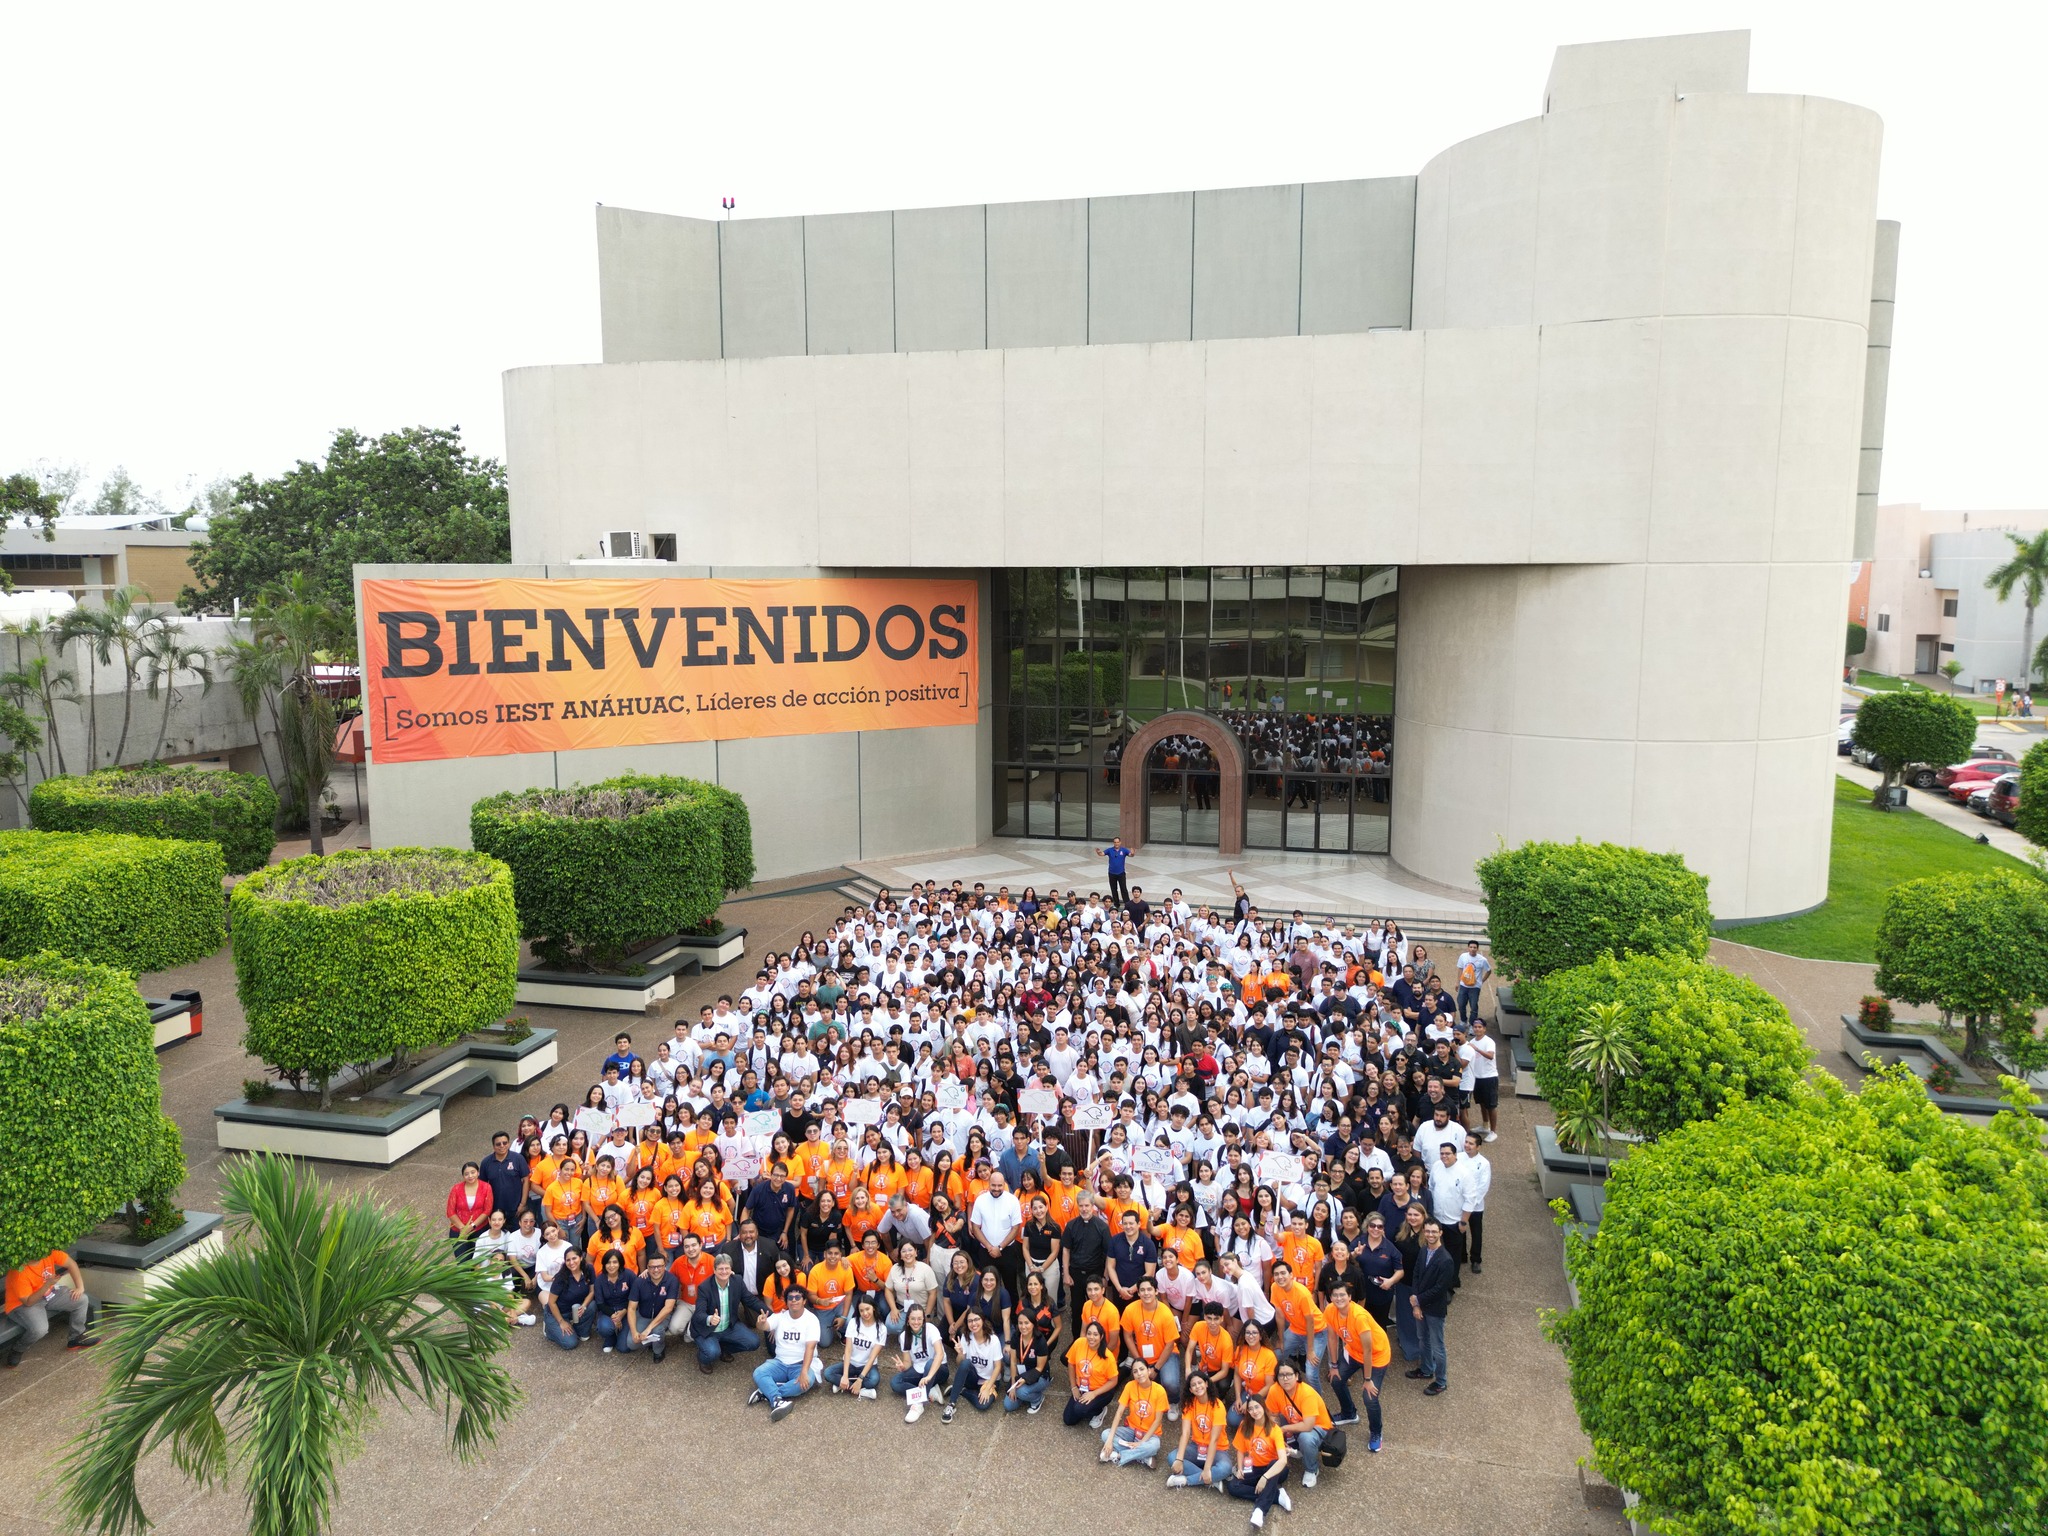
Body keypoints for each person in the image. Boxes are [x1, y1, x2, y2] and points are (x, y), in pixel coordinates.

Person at [1313, 1281, 1390, 1448]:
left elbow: (1368, 1350)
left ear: (1349, 1297)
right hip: (1353, 1351)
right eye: (1335, 1295)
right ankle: (1349, 1413)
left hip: (1375, 1355)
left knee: (1369, 1397)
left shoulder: (1359, 1316)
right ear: (1330, 1297)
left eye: (1342, 1295)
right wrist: (1333, 1366)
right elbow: (1332, 1338)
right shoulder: (1330, 1310)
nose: (1338, 1298)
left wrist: (1367, 1379)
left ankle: (1376, 1431)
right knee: (1336, 1379)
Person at [2, 1249, 97, 1366]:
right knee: (40, 1330)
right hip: (22, 1305)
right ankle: (18, 1349)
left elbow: (71, 1263)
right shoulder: (19, 1272)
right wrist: (47, 1284)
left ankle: (76, 1337)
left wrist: (80, 1287)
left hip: (49, 1293)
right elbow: (28, 1302)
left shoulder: (48, 1252)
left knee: (81, 1300)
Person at [1223, 1393, 1293, 1529]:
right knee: (1233, 1486)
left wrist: (1265, 1478)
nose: (1254, 1411)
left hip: (1275, 1470)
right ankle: (1277, 1496)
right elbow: (1240, 1449)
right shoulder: (1245, 1425)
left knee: (1274, 1463)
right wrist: (1240, 1469)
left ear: (1263, 1407)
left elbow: (1282, 1461)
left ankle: (1260, 1510)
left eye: (1257, 1407)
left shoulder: (1274, 1429)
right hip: (1254, 1467)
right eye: (1250, 1409)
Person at [752, 1286, 822, 1421]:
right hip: (780, 1363)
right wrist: (760, 1322)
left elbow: (810, 1348)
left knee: (805, 1383)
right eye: (790, 1297)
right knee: (759, 1373)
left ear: (804, 1301)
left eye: (797, 1297)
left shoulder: (812, 1320)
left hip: (801, 1364)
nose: (793, 1300)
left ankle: (768, 1392)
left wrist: (804, 1372)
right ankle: (776, 1398)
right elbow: (764, 1326)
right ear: (786, 1301)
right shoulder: (779, 1317)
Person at [1265, 1358, 1333, 1488]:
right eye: (1281, 1375)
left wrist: (1284, 1429)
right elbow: (1272, 1415)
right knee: (1271, 1425)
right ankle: (1293, 1446)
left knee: (1306, 1438)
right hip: (1295, 1422)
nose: (1285, 1379)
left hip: (1318, 1428)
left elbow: (1308, 1426)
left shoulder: (1306, 1393)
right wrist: (1277, 1434)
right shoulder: (1274, 1390)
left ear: (1296, 1376)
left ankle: (1312, 1469)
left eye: (1289, 1374)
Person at [692, 1250, 763, 1373]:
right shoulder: (704, 1287)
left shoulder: (737, 1281)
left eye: (727, 1268)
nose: (724, 1272)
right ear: (714, 1270)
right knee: (712, 1353)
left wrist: (770, 1314)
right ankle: (703, 1358)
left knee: (753, 1342)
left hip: (729, 1326)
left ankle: (724, 1349)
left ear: (731, 1270)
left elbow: (751, 1300)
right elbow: (699, 1313)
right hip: (708, 1330)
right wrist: (710, 1319)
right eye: (720, 1269)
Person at [1409, 1220, 1457, 1394]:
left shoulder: (1446, 1260)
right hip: (1420, 1305)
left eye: (1434, 1231)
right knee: (1423, 1339)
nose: (1430, 1234)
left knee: (1438, 1346)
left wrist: (1417, 1300)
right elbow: (1416, 1274)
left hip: (1435, 1310)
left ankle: (1441, 1381)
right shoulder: (1424, 1250)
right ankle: (1426, 1369)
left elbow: (1440, 1289)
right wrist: (1416, 1303)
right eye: (1427, 1231)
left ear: (1440, 1233)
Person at [1165, 1369, 1233, 1489]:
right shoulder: (1189, 1404)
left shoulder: (1218, 1405)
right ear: (1191, 1390)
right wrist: (1179, 1459)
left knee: (1225, 1468)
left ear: (1206, 1384)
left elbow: (1214, 1440)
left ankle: (1185, 1480)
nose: (1197, 1386)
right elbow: (1185, 1433)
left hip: (1218, 1449)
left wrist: (1207, 1468)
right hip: (1197, 1447)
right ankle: (1212, 1479)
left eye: (1200, 1383)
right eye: (1193, 1385)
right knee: (1172, 1457)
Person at [1098, 1355, 1168, 1468]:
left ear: (1149, 1371)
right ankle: (1143, 1456)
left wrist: (1141, 1442)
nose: (1139, 1373)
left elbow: (1158, 1421)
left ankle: (1119, 1455)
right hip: (1131, 1430)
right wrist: (1110, 1440)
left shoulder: (1160, 1391)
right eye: (1135, 1371)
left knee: (1154, 1446)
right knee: (1105, 1434)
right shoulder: (1130, 1386)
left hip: (1150, 1435)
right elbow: (1119, 1413)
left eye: (1142, 1369)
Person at [891, 1301, 949, 1422]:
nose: (916, 1322)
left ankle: (919, 1404)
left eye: (919, 1319)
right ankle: (930, 1391)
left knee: (929, 1363)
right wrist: (902, 1366)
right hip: (919, 1370)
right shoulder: (904, 1336)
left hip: (939, 1370)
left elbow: (939, 1354)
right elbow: (908, 1362)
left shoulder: (931, 1329)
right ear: (908, 1320)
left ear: (923, 1319)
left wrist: (929, 1376)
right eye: (913, 1319)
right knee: (895, 1382)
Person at [944, 1309, 1006, 1422]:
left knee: (982, 1405)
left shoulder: (993, 1340)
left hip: (989, 1380)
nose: (973, 1323)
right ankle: (951, 1404)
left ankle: (961, 1390)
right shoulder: (966, 1337)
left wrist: (988, 1388)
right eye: (970, 1321)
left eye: (976, 1319)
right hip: (973, 1377)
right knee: (966, 1363)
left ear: (983, 1320)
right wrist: (960, 1353)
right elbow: (960, 1364)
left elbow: (998, 1367)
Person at [620, 1250, 681, 1361]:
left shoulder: (672, 1280)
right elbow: (631, 1308)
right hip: (643, 1315)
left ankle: (659, 1350)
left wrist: (648, 1329)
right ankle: (650, 1341)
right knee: (631, 1343)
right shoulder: (639, 1281)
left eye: (659, 1266)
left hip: (663, 1317)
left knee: (657, 1330)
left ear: (665, 1266)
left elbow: (668, 1308)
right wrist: (634, 1332)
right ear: (647, 1267)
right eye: (652, 1267)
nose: (656, 1270)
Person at [1062, 1318, 1120, 1428]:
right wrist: (1074, 1387)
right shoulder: (1079, 1343)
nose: (1091, 1337)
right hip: (1082, 1387)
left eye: (1095, 1334)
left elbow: (1113, 1381)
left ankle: (1099, 1411)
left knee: (1079, 1409)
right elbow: (1071, 1363)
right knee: (1068, 1420)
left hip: (1100, 1390)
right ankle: (1086, 1408)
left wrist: (1094, 1394)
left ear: (1101, 1337)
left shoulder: (1107, 1356)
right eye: (1089, 1333)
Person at [831, 1295, 889, 1398]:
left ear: (873, 1308)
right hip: (851, 1363)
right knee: (828, 1373)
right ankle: (861, 1390)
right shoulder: (853, 1322)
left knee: (874, 1380)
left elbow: (872, 1357)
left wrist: (860, 1379)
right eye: (861, 1310)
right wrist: (845, 1375)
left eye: (867, 1309)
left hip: (867, 1366)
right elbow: (848, 1350)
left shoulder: (881, 1328)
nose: (865, 1313)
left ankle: (843, 1386)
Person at [1002, 1310, 1053, 1414]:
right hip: (1022, 1373)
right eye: (1020, 1323)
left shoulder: (1040, 1341)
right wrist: (1013, 1385)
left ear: (1033, 1324)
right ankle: (1026, 1393)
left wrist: (1025, 1380)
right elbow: (1013, 1362)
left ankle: (1037, 1399)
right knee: (1008, 1405)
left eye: (1026, 1323)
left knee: (1021, 1392)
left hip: (1040, 1375)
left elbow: (1039, 1368)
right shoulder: (1016, 1337)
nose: (1023, 1326)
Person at [1461, 1130, 1493, 1274]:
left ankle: (1476, 1259)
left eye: (1471, 1143)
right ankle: (1461, 1255)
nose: (1467, 1145)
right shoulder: (1458, 1157)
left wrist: (1471, 1203)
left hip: (1476, 1205)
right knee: (1460, 1229)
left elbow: (1483, 1186)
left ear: (1478, 1147)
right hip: (1460, 1202)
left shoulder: (1484, 1163)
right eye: (1466, 1142)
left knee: (1476, 1232)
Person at [446, 1162, 493, 1260]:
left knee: (478, 1262)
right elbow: (450, 1212)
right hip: (459, 1231)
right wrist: (463, 1229)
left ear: (478, 1173)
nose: (470, 1176)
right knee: (462, 1262)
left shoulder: (486, 1187)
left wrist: (472, 1226)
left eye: (473, 1172)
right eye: (466, 1174)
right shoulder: (456, 1188)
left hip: (480, 1230)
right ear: (463, 1176)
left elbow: (487, 1210)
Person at [1100, 836, 1131, 905]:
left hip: (1121, 873)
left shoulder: (1124, 850)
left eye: (1117, 842)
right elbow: (1102, 853)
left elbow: (1130, 854)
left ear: (1120, 842)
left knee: (1123, 888)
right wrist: (1099, 852)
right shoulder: (1110, 850)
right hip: (1112, 873)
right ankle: (1116, 903)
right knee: (1113, 889)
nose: (1116, 844)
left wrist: (1133, 853)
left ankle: (1127, 903)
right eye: (1115, 842)